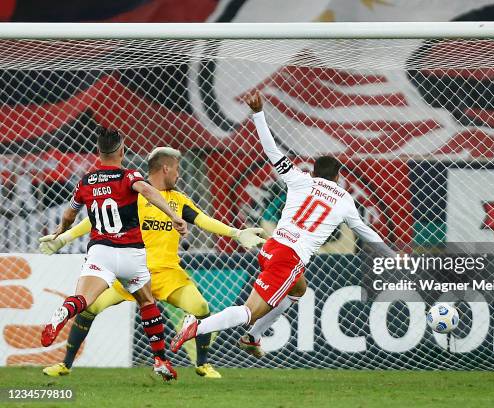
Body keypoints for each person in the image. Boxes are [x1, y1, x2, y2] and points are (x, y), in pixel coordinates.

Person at [170, 91, 385, 358]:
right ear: (338, 177)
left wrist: (258, 113)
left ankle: (253, 337)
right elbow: (369, 234)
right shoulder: (344, 200)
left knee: (299, 289)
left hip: (272, 247)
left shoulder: (300, 179)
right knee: (249, 312)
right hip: (289, 258)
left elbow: (272, 151)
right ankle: (198, 326)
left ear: (315, 172)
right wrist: (395, 258)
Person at [40, 146, 265, 378]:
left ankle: (202, 364)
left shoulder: (178, 200)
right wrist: (65, 237)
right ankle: (65, 365)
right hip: (131, 270)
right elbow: (94, 221)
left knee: (201, 308)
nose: (179, 175)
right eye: (177, 169)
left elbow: (204, 221)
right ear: (165, 168)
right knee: (90, 307)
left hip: (167, 274)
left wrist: (236, 233)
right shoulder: (134, 193)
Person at [41, 128, 188, 381]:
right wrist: (174, 216)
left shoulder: (86, 181)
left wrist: (60, 232)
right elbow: (150, 192)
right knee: (147, 303)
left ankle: (63, 313)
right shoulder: (129, 176)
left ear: (99, 152)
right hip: (132, 254)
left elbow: (69, 214)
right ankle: (161, 360)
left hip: (101, 252)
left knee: (83, 299)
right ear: (122, 150)